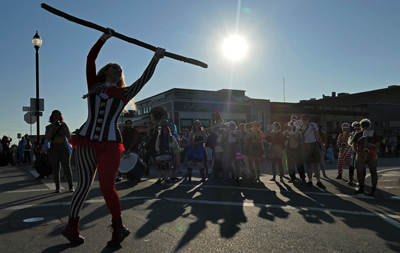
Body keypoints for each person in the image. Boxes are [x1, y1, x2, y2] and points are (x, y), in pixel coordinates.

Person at [62, 29, 165, 246]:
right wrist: (103, 38)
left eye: (120, 70)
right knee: (83, 186)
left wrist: (155, 58)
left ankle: (118, 228)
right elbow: (90, 59)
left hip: (109, 144)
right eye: (114, 67)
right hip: (86, 141)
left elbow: (144, 79)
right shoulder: (94, 86)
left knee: (108, 187)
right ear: (106, 71)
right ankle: (71, 227)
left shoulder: (124, 93)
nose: (118, 70)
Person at [45, 110, 74, 193]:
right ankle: (58, 187)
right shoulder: (49, 127)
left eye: (58, 115)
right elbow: (47, 137)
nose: (56, 117)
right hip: (53, 147)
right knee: (56, 168)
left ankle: (71, 186)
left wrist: (66, 126)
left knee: (67, 167)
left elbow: (68, 135)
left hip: (63, 147)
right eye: (54, 115)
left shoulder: (63, 126)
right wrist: (53, 127)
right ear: (52, 117)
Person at [351, 119, 380, 196]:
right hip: (361, 154)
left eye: (366, 126)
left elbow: (377, 145)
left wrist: (370, 145)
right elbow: (353, 144)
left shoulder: (374, 134)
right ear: (361, 127)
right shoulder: (358, 134)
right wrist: (358, 152)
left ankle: (373, 189)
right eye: (364, 126)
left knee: (373, 172)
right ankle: (361, 188)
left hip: (372, 154)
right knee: (359, 171)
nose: (365, 128)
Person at [299, 114, 326, 189]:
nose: (304, 121)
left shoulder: (313, 125)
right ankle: (310, 181)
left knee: (316, 164)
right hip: (305, 145)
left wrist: (322, 145)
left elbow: (318, 136)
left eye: (305, 119)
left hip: (314, 144)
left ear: (308, 119)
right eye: (303, 119)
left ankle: (318, 181)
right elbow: (301, 138)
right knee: (308, 164)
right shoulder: (300, 126)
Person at [210, 109, 227, 180]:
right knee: (216, 161)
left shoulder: (225, 128)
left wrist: (213, 131)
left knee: (224, 160)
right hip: (217, 146)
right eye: (217, 122)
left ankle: (224, 174)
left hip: (224, 146)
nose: (218, 123)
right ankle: (215, 174)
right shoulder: (215, 128)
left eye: (220, 121)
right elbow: (211, 138)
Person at [347, 121, 361, 186]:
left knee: (361, 168)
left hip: (361, 151)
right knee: (351, 167)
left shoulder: (362, 134)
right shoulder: (352, 134)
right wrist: (352, 140)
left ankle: (361, 181)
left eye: (358, 128)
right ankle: (350, 180)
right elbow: (349, 143)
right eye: (355, 128)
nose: (357, 130)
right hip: (354, 152)